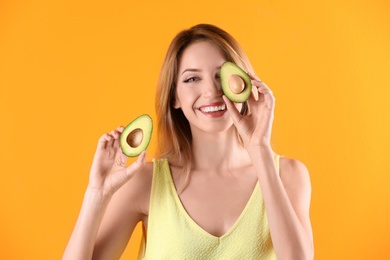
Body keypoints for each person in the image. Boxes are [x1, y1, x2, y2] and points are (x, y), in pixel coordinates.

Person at [63, 24, 314, 260]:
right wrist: (97, 194)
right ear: (174, 97)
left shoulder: (290, 175)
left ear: (246, 84)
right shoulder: (145, 183)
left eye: (221, 75)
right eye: (192, 79)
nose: (212, 91)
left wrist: (260, 151)